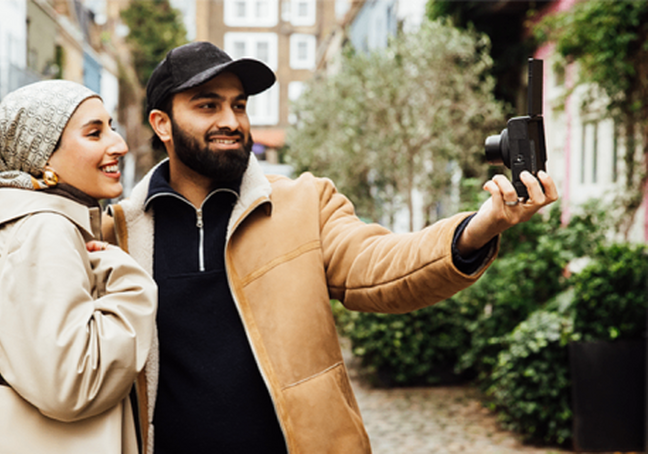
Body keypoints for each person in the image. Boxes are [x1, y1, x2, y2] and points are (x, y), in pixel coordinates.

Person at [103, 41, 558, 454]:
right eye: (208, 106)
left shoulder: (303, 202)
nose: (231, 121)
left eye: (239, 105)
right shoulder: (119, 232)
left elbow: (383, 267)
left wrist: (479, 227)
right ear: (162, 123)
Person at [0, 80, 157, 454]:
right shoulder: (45, 229)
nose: (119, 145)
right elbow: (71, 385)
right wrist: (128, 282)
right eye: (95, 133)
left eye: (112, 127)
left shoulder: (24, 223)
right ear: (41, 156)